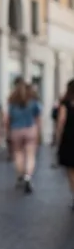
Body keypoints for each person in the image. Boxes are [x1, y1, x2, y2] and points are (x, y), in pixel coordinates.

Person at [6, 78, 41, 194]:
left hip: (16, 130)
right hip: (30, 129)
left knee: (18, 154)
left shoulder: (12, 102)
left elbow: (8, 118)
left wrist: (7, 130)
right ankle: (28, 176)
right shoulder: (33, 101)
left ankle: (20, 175)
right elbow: (38, 117)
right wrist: (39, 131)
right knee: (30, 155)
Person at [55, 79, 74, 207]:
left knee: (71, 170)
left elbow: (61, 122)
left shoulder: (65, 104)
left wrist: (57, 138)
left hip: (69, 140)